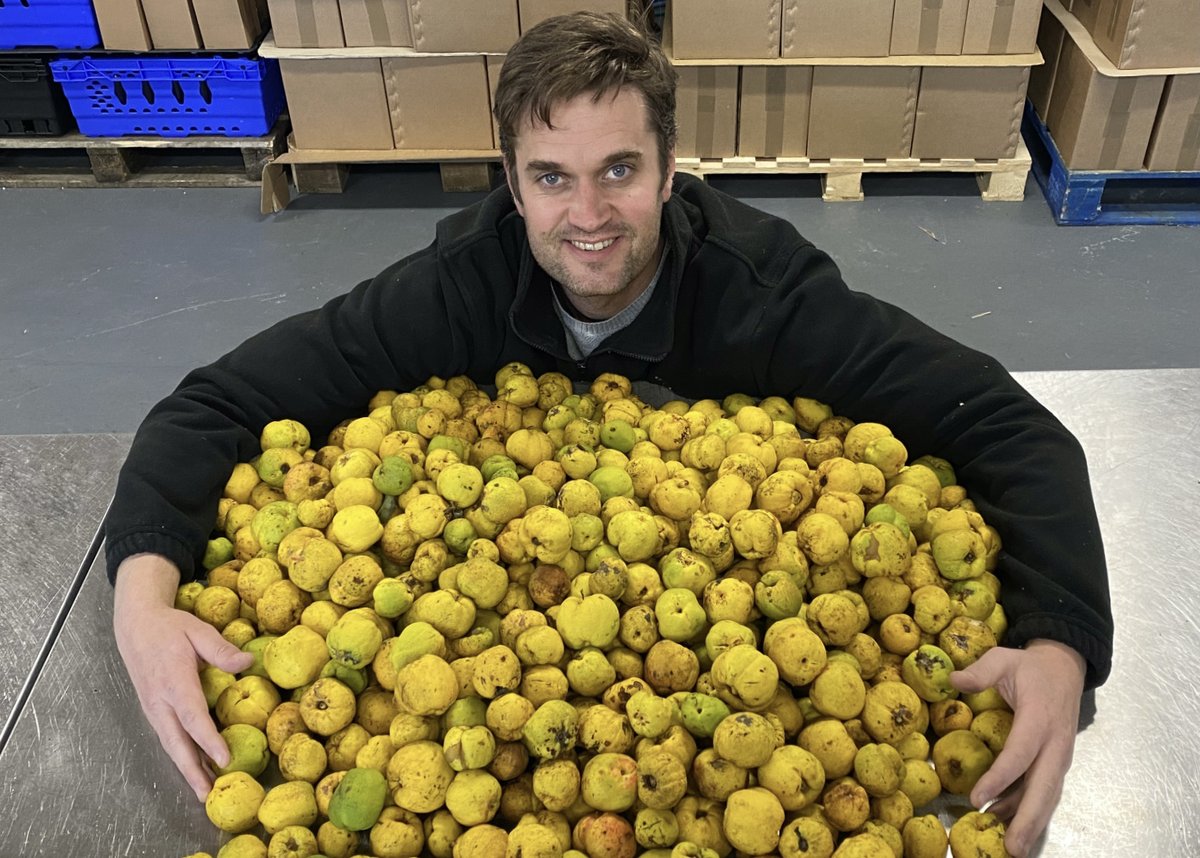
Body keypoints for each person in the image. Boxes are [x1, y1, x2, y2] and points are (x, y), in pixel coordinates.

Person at [106, 11, 1111, 857]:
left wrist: (1059, 644)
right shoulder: (461, 286)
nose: (587, 216)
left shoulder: (764, 297)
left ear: (673, 171)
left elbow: (1009, 428)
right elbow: (217, 403)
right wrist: (143, 600)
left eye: (620, 169)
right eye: (551, 177)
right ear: (510, 179)